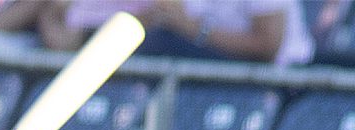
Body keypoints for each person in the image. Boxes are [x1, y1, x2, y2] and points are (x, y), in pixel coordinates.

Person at [62, 0, 314, 65]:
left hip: (281, 79)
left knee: (159, 44)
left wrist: (196, 30)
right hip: (207, 66)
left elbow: (267, 48)